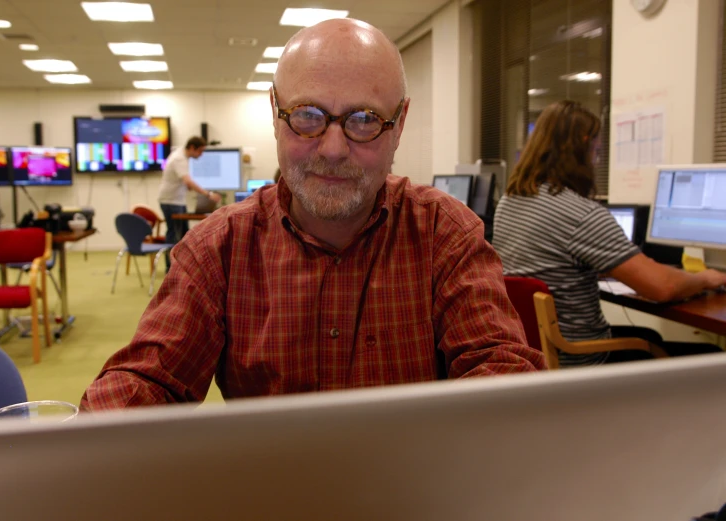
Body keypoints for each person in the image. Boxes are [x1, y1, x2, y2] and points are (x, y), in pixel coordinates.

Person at [80, 18, 544, 411]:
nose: (334, 149)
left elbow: (501, 369)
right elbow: (148, 381)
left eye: (364, 120)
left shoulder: (446, 233)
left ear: (399, 124)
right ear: (275, 113)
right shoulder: (218, 248)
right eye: (307, 116)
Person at [492, 100, 726, 366]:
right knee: (713, 357)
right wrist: (706, 278)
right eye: (597, 150)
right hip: (582, 358)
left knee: (649, 335)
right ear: (584, 145)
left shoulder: (511, 201)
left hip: (534, 350)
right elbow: (664, 287)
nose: (596, 158)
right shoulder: (580, 214)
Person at [157, 136, 221, 269]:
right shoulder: (179, 159)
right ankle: (171, 268)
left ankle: (183, 265)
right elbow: (188, 181)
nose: (201, 155)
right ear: (192, 147)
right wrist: (208, 194)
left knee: (184, 233)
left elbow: (185, 182)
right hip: (170, 201)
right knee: (174, 233)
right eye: (200, 151)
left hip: (177, 200)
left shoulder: (181, 155)